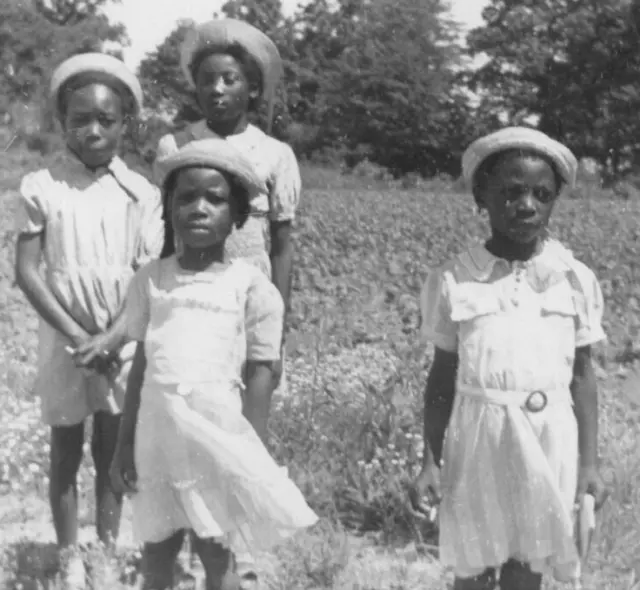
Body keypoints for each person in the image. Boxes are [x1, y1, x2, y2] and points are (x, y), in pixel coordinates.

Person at [109, 138, 318, 590]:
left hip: (215, 444)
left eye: (215, 199)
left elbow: (261, 372)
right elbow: (142, 368)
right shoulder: (151, 280)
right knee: (156, 556)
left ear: (238, 214)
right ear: (169, 209)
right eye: (186, 198)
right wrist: (124, 444)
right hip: (157, 440)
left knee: (217, 556)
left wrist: (250, 454)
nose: (199, 208)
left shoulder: (251, 287)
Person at [409, 127, 609, 590]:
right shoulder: (454, 278)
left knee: (528, 563)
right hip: (479, 433)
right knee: (474, 565)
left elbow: (583, 378)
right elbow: (441, 378)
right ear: (482, 197)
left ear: (555, 198)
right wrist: (429, 461)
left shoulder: (574, 279)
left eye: (541, 194)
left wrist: (590, 464)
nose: (527, 206)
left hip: (548, 432)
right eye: (511, 193)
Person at [14, 52, 164, 588]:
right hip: (65, 341)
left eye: (106, 119)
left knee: (111, 448)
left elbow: (147, 276)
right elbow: (28, 272)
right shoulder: (42, 187)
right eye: (80, 119)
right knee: (64, 448)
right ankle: (69, 555)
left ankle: (104, 551)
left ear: (126, 123)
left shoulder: (143, 194)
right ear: (63, 122)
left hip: (119, 341)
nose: (93, 130)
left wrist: (116, 335)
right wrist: (79, 335)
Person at [154, 18, 300, 401]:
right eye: (206, 80)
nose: (216, 89)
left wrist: (278, 329)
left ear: (252, 89)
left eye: (229, 79)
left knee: (244, 402)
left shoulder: (274, 154)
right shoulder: (176, 146)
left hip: (252, 290)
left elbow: (281, 247)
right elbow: (166, 235)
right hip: (191, 285)